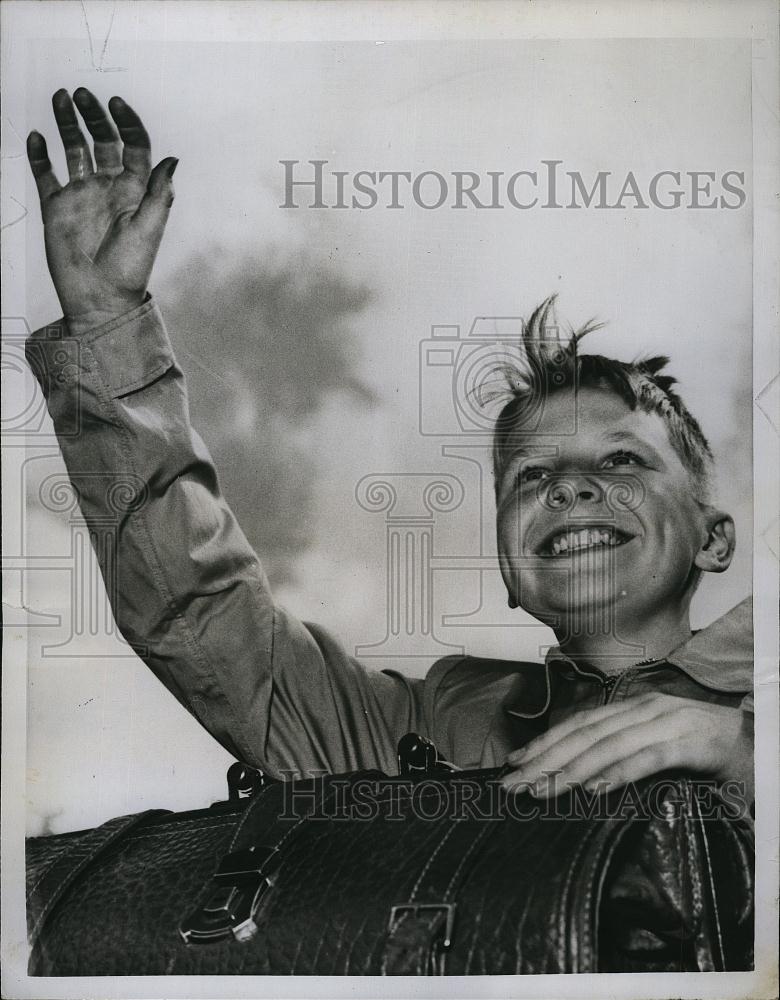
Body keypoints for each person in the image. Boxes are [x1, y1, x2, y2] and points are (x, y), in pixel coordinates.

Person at [25, 89, 754, 802]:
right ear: (507, 570)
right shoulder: (427, 729)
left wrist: (744, 753)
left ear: (713, 538)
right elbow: (207, 621)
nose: (567, 488)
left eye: (621, 458)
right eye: (530, 477)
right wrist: (105, 325)